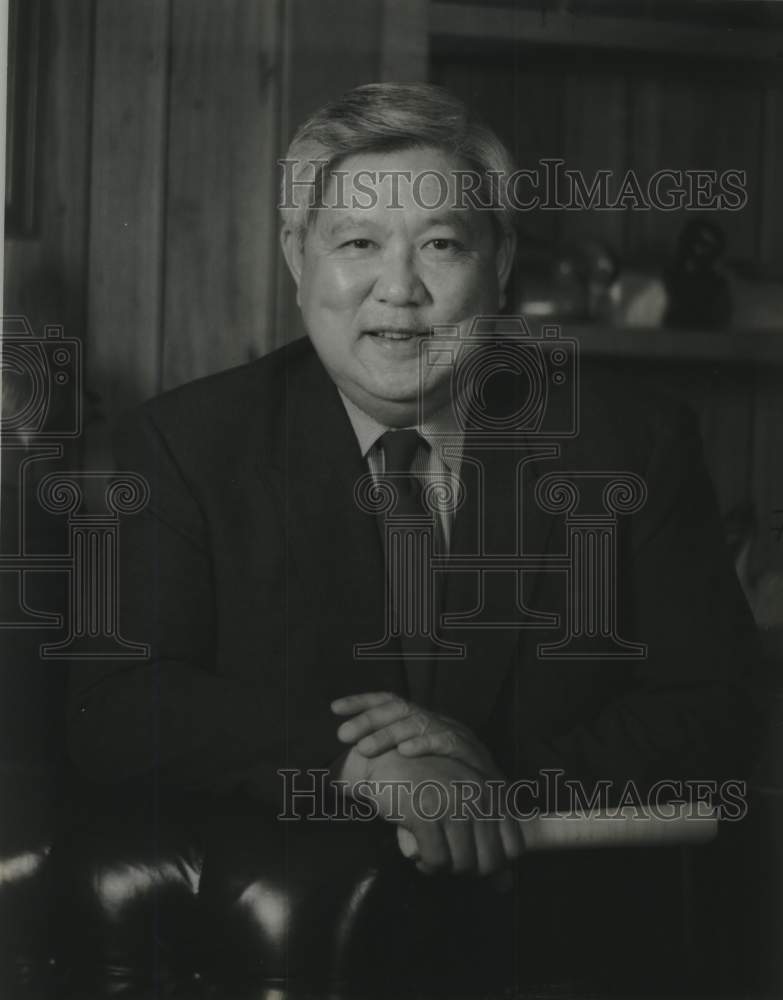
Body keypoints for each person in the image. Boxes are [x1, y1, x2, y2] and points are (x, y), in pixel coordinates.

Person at [67, 82, 756, 900]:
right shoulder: (186, 444)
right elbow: (112, 705)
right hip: (291, 937)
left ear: (498, 263)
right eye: (356, 244)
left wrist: (482, 775)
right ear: (297, 256)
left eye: (439, 245)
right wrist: (364, 762)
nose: (399, 290)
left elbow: (717, 704)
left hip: (553, 931)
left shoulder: (629, 442)